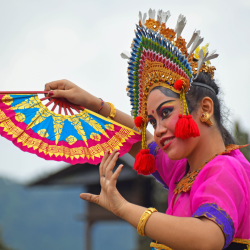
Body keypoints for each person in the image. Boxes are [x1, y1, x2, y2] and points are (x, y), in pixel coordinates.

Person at [44, 9, 250, 250]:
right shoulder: (182, 171)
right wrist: (93, 104)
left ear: (204, 108)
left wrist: (125, 209)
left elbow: (208, 238)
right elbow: (134, 138)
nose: (158, 130)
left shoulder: (224, 169)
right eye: (152, 121)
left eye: (165, 113)